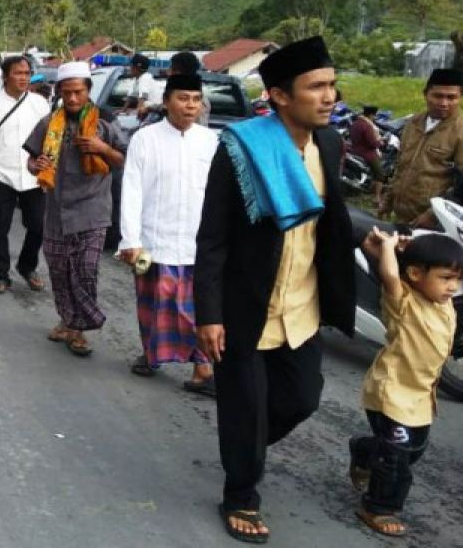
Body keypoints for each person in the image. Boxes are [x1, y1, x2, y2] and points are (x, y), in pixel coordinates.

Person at [194, 36, 358, 543]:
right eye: (317, 87)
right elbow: (213, 237)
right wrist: (208, 312)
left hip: (302, 306)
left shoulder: (329, 143)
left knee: (302, 399)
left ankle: (244, 445)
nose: (329, 96)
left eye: (332, 85)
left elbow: (331, 222)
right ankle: (240, 492)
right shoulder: (241, 148)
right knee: (246, 404)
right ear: (281, 96)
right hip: (247, 306)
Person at [348, 229, 461, 538]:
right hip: (392, 394)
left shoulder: (444, 304)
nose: (453, 287)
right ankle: (379, 507)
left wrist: (407, 251)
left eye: (457, 279)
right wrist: (387, 246)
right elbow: (389, 273)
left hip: (421, 399)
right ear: (414, 274)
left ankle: (363, 450)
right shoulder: (404, 303)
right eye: (446, 278)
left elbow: (412, 266)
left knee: (412, 451)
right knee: (397, 460)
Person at [117, 74, 218, 392]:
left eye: (195, 99)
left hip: (197, 242)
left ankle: (202, 367)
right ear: (166, 102)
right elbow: (131, 190)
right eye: (183, 98)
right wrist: (130, 240)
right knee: (152, 302)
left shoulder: (211, 140)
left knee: (195, 307)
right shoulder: (145, 139)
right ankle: (151, 354)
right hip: (150, 242)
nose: (190, 106)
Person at [25, 62, 126, 353]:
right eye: (67, 93)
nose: (72, 99)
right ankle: (67, 320)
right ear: (59, 91)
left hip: (93, 211)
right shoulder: (48, 123)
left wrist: (102, 148)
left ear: (88, 91)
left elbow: (124, 159)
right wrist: (37, 165)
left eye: (78, 92)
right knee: (59, 270)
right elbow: (31, 161)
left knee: (85, 270)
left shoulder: (105, 122)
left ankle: (80, 329)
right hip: (56, 211)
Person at [0, 55, 51, 294]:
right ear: (6, 77)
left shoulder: (40, 104)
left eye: (27, 73)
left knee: (38, 226)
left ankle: (27, 266)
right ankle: (1, 275)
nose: (23, 78)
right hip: (0, 174)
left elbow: (50, 139)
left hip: (33, 176)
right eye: (18, 73)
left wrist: (48, 166)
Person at [381, 68, 463, 227]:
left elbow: (461, 187)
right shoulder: (413, 123)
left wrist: (433, 214)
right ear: (426, 94)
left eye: (451, 97)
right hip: (402, 216)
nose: (444, 103)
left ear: (459, 98)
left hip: (436, 222)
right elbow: (401, 166)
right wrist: (388, 199)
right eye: (438, 96)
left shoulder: (460, 131)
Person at [348, 104, 386, 208]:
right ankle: (377, 198)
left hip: (355, 150)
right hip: (367, 153)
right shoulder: (367, 126)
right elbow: (372, 143)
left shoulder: (355, 124)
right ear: (371, 115)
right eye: (374, 115)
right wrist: (380, 142)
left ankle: (371, 191)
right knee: (380, 174)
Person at [123, 53, 162, 120]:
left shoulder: (145, 78)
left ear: (136, 68)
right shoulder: (137, 79)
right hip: (147, 111)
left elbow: (143, 96)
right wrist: (123, 110)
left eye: (131, 66)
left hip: (153, 113)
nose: (129, 68)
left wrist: (137, 112)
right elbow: (131, 97)